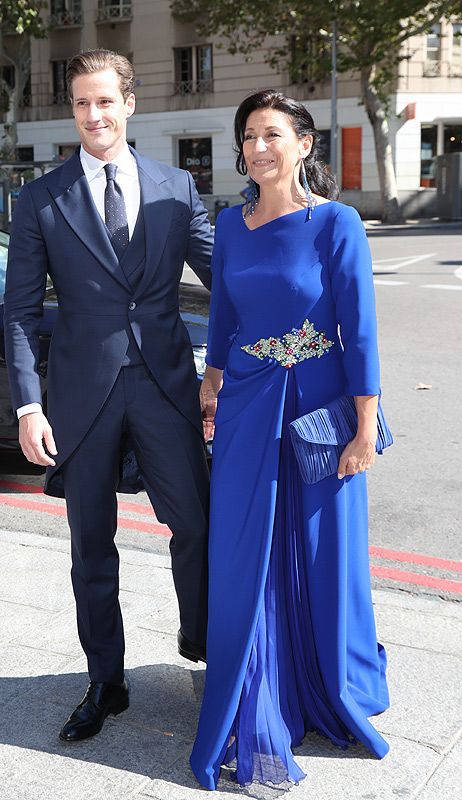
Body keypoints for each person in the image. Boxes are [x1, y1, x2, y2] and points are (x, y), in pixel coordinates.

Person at [4, 49, 213, 743]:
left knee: (197, 526)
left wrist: (308, 234)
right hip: (79, 399)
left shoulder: (175, 187)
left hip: (166, 388)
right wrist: (28, 404)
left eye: (104, 101)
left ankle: (201, 641)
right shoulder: (41, 197)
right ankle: (106, 681)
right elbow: (20, 311)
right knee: (91, 545)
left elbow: (234, 277)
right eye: (80, 104)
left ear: (130, 102)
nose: (92, 116)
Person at [190, 90, 390, 790]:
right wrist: (210, 387)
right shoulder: (230, 225)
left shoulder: (336, 223)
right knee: (245, 555)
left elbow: (358, 331)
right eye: (248, 136)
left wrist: (365, 425)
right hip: (247, 406)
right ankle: (254, 686)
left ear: (305, 144)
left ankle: (328, 685)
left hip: (318, 407)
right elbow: (222, 318)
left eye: (272, 133)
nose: (258, 146)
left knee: (322, 551)